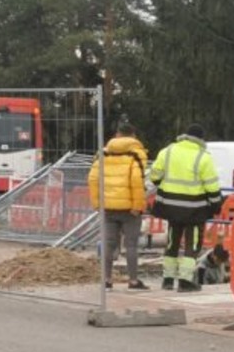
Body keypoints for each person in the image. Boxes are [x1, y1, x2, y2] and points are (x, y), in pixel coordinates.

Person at [148, 123, 223, 292]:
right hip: (194, 209)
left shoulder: (167, 151)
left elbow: (154, 176)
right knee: (193, 244)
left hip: (170, 207)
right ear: (201, 140)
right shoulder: (203, 157)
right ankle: (185, 281)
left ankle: (167, 280)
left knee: (172, 242)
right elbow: (211, 187)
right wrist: (216, 203)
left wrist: (164, 184)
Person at [88, 120, 150, 291]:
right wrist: (138, 206)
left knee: (108, 243)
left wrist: (97, 203)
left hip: (108, 206)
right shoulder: (137, 154)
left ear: (117, 135)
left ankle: (106, 280)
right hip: (130, 208)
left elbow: (93, 179)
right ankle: (133, 280)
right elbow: (137, 181)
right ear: (134, 136)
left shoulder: (103, 153)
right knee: (131, 245)